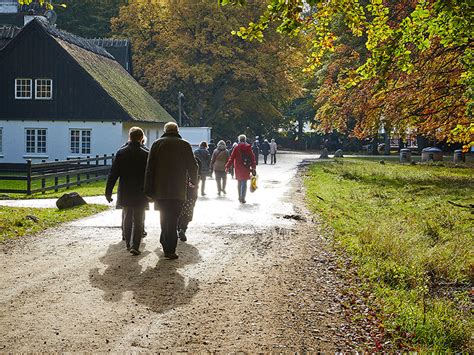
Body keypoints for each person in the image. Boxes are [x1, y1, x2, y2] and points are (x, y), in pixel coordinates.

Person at [144, 122, 198, 260]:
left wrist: (148, 189)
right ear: (177, 130)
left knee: (164, 216)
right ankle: (170, 249)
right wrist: (194, 182)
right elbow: (193, 166)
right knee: (173, 218)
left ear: (165, 130)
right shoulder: (185, 145)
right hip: (178, 189)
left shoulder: (157, 144)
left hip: (160, 189)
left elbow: (149, 168)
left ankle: (164, 241)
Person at [105, 127, 148, 255]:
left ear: (129, 137)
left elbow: (113, 174)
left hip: (125, 190)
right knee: (139, 219)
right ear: (141, 138)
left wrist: (108, 191)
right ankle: (135, 245)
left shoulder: (121, 153)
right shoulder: (146, 154)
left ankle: (128, 243)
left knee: (127, 216)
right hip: (140, 191)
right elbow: (150, 174)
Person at [225, 134, 256, 204]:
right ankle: (243, 197)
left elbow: (231, 158)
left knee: (239, 182)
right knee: (244, 183)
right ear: (245, 140)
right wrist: (253, 167)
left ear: (239, 140)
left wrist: (227, 167)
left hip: (238, 167)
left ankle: (239, 196)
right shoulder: (248, 147)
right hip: (246, 167)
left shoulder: (236, 148)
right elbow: (252, 157)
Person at [177, 158, 200, 242]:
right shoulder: (195, 163)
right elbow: (197, 178)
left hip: (179, 193)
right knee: (187, 213)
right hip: (191, 194)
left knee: (178, 212)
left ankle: (178, 228)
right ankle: (182, 228)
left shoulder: (177, 163)